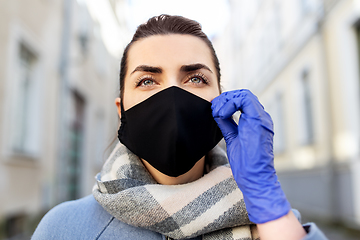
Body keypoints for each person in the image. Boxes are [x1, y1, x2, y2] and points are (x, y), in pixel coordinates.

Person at [32, 15, 328, 240]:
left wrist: (267, 200)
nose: (172, 97)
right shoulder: (64, 229)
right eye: (147, 81)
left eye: (195, 79)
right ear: (121, 111)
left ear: (222, 101)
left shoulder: (273, 223)